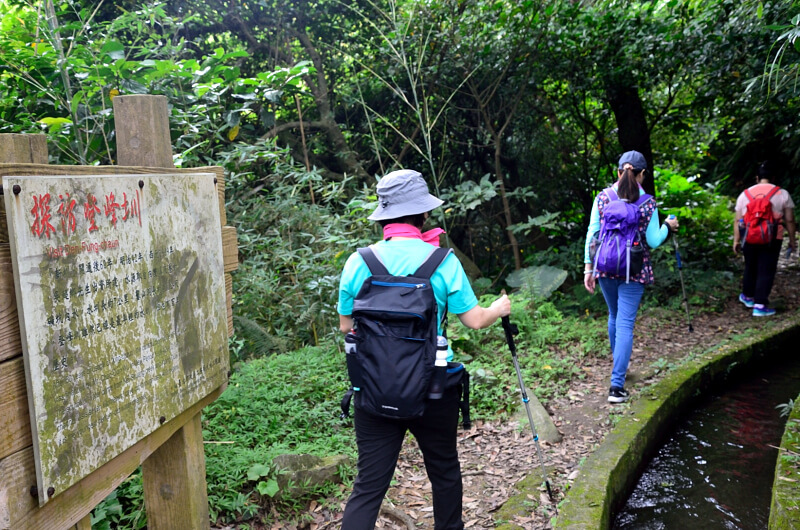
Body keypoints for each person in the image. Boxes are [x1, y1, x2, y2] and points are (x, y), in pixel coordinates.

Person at [337, 169, 511, 530]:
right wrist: (499, 308)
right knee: (444, 472)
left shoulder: (359, 262)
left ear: (384, 216)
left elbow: (346, 326)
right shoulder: (442, 262)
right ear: (423, 215)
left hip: (373, 390)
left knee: (368, 486)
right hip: (432, 388)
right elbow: (475, 320)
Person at [583, 151, 678, 403]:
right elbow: (653, 241)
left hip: (604, 266)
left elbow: (592, 235)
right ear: (642, 174)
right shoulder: (647, 203)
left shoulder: (603, 198)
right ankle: (616, 386)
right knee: (625, 323)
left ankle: (619, 372)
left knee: (615, 317)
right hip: (634, 271)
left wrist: (588, 268)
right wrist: (668, 226)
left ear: (618, 172)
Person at [733, 161, 797, 316]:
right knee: (766, 270)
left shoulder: (745, 194)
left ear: (757, 178)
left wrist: (736, 240)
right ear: (773, 177)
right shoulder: (782, 194)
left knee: (751, 266)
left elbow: (737, 220)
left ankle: (748, 297)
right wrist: (792, 240)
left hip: (749, 237)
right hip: (772, 238)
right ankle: (760, 305)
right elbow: (789, 220)